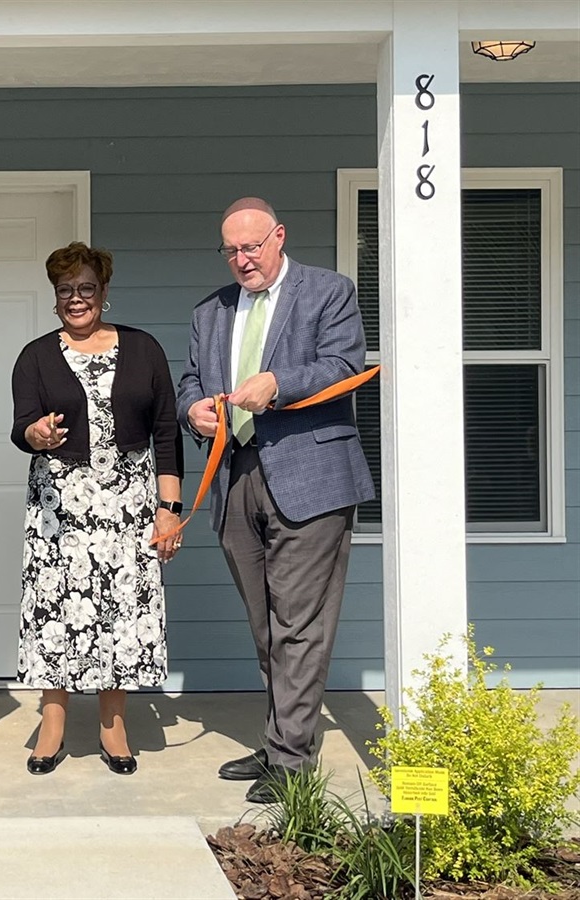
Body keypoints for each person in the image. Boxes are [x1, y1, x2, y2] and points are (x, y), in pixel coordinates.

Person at [176, 198, 374, 803]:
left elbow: (345, 363)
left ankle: (291, 759)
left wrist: (279, 384)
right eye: (231, 250)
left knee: (300, 624)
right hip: (238, 476)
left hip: (312, 476)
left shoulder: (328, 291)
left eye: (252, 247)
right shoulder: (210, 311)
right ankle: (281, 738)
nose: (242, 260)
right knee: (267, 627)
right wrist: (194, 411)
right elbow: (191, 379)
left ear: (278, 238)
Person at [10, 242, 183, 776]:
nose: (76, 298)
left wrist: (169, 506)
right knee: (56, 611)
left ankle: (113, 725)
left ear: (104, 293)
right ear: (55, 297)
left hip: (130, 501)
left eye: (86, 288)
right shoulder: (36, 355)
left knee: (122, 612)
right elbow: (23, 427)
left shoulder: (144, 348)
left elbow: (166, 431)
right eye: (66, 290)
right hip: (61, 504)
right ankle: (54, 722)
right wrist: (37, 434)